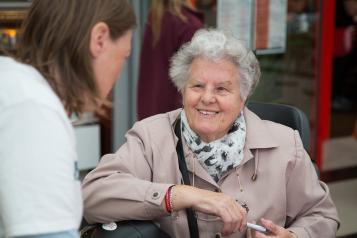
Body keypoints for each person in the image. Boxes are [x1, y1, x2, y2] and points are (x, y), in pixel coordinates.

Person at [82, 29, 339, 238]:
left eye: (222, 89)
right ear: (182, 89)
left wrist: (294, 237)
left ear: (244, 96)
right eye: (197, 85)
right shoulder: (151, 136)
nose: (207, 98)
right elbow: (93, 196)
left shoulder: (285, 144)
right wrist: (180, 195)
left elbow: (322, 216)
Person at [0, 0, 136, 237]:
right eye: (123, 57)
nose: (118, 74)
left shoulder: (17, 89)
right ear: (99, 39)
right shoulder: (33, 108)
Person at [137, 0, 203, 120]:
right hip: (175, 122)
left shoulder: (156, 20)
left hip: (150, 119)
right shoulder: (189, 26)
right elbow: (191, 84)